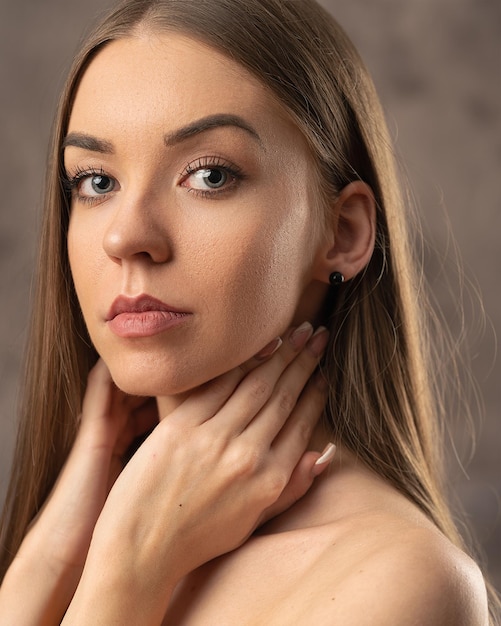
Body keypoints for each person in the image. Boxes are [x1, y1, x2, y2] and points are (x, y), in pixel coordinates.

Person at [0, 0, 497, 622]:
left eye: (209, 175)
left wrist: (126, 574)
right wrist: (41, 569)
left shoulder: (399, 583)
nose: (125, 237)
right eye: (97, 182)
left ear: (342, 232)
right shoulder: (67, 551)